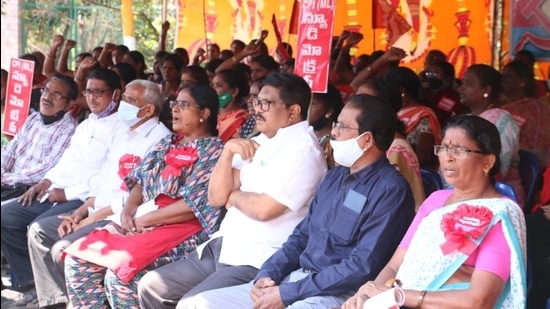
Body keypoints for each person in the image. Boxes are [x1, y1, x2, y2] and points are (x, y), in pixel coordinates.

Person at [185, 94, 416, 308]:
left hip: (339, 293)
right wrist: (269, 273)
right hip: (294, 280)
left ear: (366, 140)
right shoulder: (335, 176)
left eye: (342, 127)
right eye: (336, 124)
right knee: (198, 304)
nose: (334, 132)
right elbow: (301, 236)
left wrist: (288, 293)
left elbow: (361, 266)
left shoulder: (390, 190)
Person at [137, 72, 328, 309]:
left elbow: (264, 209)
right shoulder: (263, 140)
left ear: (293, 111)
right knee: (152, 286)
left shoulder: (303, 151)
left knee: (192, 305)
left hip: (257, 258)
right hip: (223, 245)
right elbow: (216, 197)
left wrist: (235, 196)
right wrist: (227, 152)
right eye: (257, 102)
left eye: (266, 103)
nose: (257, 109)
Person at [63, 83, 225, 308]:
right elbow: (139, 181)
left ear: (204, 114)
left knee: (120, 277)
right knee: (77, 262)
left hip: (181, 227)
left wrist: (142, 220)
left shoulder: (214, 150)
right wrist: (129, 211)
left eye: (184, 104)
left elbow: (191, 206)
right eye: (175, 103)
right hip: (144, 218)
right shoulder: (168, 143)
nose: (175, 109)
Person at [341, 115, 527, 309]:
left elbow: (479, 301)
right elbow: (395, 266)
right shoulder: (436, 200)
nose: (448, 157)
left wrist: (400, 296)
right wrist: (367, 296)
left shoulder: (500, 213)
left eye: (458, 150)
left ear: (487, 161)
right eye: (444, 148)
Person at [26, 79, 171, 308]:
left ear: (149, 109)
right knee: (41, 231)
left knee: (63, 250)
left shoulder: (159, 140)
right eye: (124, 98)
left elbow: (132, 196)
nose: (123, 104)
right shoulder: (124, 132)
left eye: (130, 100)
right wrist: (79, 213)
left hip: (118, 216)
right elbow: (105, 179)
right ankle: (63, 301)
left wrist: (91, 219)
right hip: (96, 207)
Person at [0, 67, 121, 293]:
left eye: (98, 92)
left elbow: (105, 177)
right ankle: (30, 284)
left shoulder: (120, 129)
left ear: (114, 94)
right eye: (88, 92)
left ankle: (53, 295)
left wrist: (67, 193)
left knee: (38, 229)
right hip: (53, 190)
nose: (92, 98)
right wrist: (46, 182)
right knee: (5, 216)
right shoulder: (86, 125)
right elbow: (65, 162)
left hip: (80, 199)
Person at [1, 75, 78, 202]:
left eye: (57, 94)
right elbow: (10, 150)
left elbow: (47, 169)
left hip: (29, 192)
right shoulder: (33, 118)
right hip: (8, 183)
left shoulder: (69, 130)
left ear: (69, 104)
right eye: (46, 90)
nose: (47, 97)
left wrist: (5, 178)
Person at [459, 64, 524, 206]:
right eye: (462, 83)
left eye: (468, 84)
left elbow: (496, 171)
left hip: (496, 197)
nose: (461, 88)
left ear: (486, 90)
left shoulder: (501, 121)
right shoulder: (468, 119)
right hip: (465, 190)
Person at [500, 60, 550, 167]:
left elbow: (537, 152)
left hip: (524, 168)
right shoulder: (498, 106)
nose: (503, 79)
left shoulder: (534, 109)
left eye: (509, 76)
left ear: (522, 82)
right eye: (502, 74)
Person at [307, 83, 344, 168]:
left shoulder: (336, 145)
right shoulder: (301, 134)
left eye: (312, 104)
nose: (306, 108)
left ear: (329, 111)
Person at [211, 69, 250, 142]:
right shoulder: (213, 114)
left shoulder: (240, 118)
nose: (213, 90)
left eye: (219, 86)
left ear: (234, 92)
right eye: (213, 85)